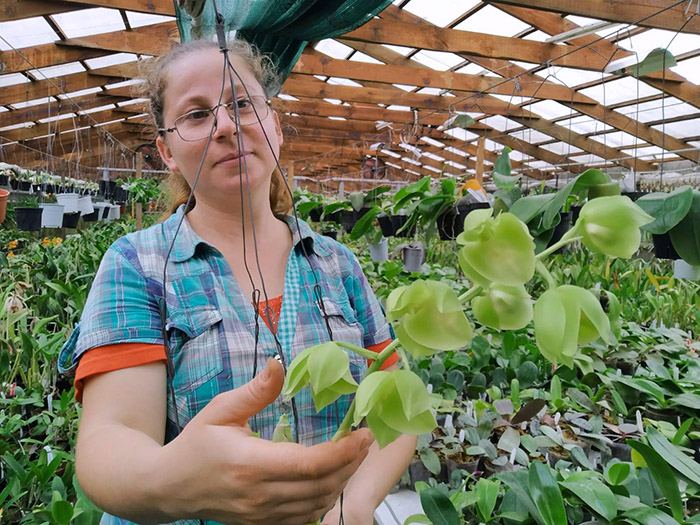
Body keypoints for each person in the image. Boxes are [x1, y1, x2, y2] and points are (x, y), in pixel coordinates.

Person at [58, 38, 417, 525]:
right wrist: (174, 480)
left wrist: (351, 505)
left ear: (275, 125)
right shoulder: (137, 265)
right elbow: (109, 440)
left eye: (243, 104)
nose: (227, 126)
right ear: (165, 150)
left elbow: (398, 403)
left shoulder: (336, 264)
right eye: (197, 115)